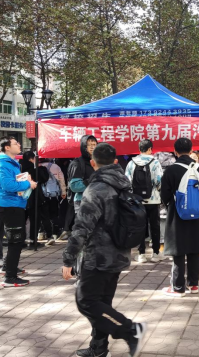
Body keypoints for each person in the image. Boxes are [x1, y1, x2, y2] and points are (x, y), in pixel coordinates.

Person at [62, 143, 147, 357]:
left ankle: (131, 330)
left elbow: (82, 227)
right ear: (116, 162)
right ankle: (98, 348)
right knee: (102, 303)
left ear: (93, 163)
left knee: (86, 301)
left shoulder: (95, 189)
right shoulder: (123, 183)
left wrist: (68, 258)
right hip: (119, 252)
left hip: (98, 256)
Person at [160, 138, 199, 297]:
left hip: (177, 214)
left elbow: (164, 195)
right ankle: (193, 284)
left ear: (175, 151)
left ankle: (178, 287)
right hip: (198, 214)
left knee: (178, 250)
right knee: (194, 248)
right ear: (191, 150)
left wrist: (173, 204)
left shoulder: (171, 170)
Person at [0, 136, 37, 287]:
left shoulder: (11, 163)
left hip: (15, 204)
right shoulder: (3, 164)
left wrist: (26, 180)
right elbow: (9, 186)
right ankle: (10, 277)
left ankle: (8, 267)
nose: (19, 145)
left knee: (16, 239)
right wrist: (28, 184)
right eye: (16, 143)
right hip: (10, 206)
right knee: (16, 240)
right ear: (7, 147)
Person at [125, 139, 164, 263]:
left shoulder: (131, 163)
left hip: (138, 201)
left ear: (139, 149)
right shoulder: (155, 162)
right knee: (155, 226)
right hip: (153, 200)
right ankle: (156, 253)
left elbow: (127, 182)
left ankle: (141, 253)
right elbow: (159, 181)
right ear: (150, 149)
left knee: (140, 226)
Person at [21, 151, 53, 247]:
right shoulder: (34, 169)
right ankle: (33, 240)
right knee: (35, 220)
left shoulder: (18, 168)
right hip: (34, 198)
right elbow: (44, 178)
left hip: (21, 198)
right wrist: (39, 169)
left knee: (21, 220)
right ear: (31, 159)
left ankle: (21, 240)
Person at [67, 135, 98, 215]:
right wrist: (94, 182)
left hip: (98, 201)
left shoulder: (99, 162)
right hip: (83, 202)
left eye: (94, 145)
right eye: (89, 145)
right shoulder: (77, 163)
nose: (92, 147)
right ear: (84, 147)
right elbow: (74, 186)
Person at [39, 158, 66, 238]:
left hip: (41, 195)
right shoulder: (55, 166)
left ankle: (41, 232)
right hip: (53, 194)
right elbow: (61, 180)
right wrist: (63, 192)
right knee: (54, 214)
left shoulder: (37, 166)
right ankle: (55, 233)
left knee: (42, 214)